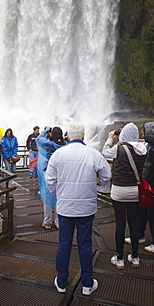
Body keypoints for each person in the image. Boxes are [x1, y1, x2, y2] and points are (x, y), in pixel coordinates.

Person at [46, 122, 111, 295]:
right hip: (86, 208)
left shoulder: (58, 154)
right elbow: (107, 176)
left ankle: (61, 281)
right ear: (83, 136)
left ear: (68, 136)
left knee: (64, 244)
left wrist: (59, 194)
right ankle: (87, 285)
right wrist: (94, 185)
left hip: (65, 208)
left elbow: (50, 181)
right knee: (85, 245)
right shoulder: (93, 154)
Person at [102, 122, 147, 269]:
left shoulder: (119, 148)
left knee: (120, 224)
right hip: (135, 191)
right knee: (133, 223)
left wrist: (110, 138)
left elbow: (104, 152)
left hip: (119, 191)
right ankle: (135, 257)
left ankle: (120, 259)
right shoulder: (143, 149)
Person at [125, 122, 154, 253]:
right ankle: (139, 235)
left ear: (152, 133)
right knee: (142, 209)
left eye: (144, 131)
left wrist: (145, 181)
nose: (142, 133)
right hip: (151, 184)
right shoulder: (153, 146)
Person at [36, 126, 66, 230]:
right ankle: (58, 222)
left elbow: (38, 139)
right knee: (59, 198)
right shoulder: (64, 146)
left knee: (46, 197)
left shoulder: (47, 144)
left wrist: (46, 131)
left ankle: (47, 221)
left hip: (47, 174)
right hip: (60, 175)